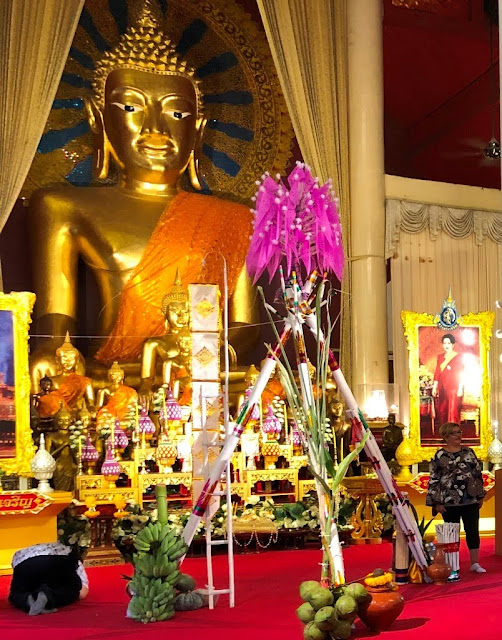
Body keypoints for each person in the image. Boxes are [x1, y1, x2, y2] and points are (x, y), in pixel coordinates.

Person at [426, 422, 486, 577]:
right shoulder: (440, 455)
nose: (458, 435)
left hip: (470, 500)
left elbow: (477, 474)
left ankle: (475, 563)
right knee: (452, 534)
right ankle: (453, 565)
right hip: (448, 502)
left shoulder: (469, 452)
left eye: (459, 432)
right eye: (454, 433)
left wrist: (479, 495)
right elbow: (434, 478)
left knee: (473, 531)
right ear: (445, 436)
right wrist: (436, 502)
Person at [9, 542, 89, 615]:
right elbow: (82, 592)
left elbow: (16, 569)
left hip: (24, 563)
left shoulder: (23, 552)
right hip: (57, 560)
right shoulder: (73, 557)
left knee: (16, 594)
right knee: (72, 590)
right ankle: (48, 596)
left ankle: (26, 601)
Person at [432, 333, 463, 428]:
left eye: (449, 343)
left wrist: (460, 388)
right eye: (444, 343)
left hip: (454, 388)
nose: (446, 345)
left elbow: (461, 372)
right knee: (442, 410)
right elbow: (437, 372)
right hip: (442, 387)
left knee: (452, 411)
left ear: (453, 344)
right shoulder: (440, 357)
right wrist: (434, 387)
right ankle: (444, 432)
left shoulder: (458, 357)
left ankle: (453, 432)